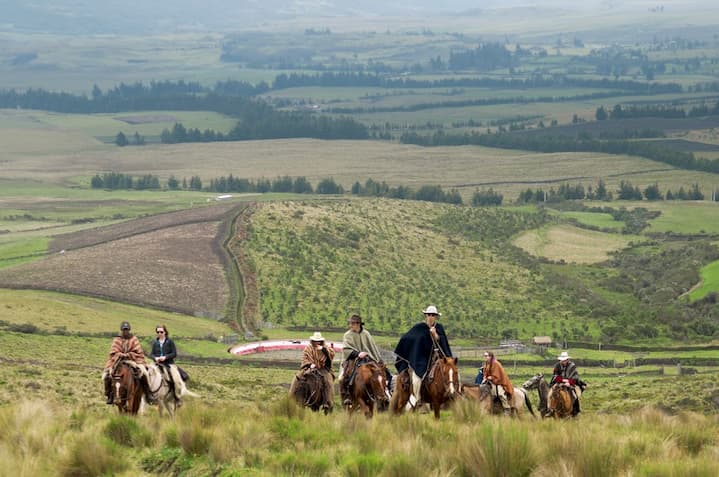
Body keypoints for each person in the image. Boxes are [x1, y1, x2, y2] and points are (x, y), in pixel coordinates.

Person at [393, 305, 452, 410]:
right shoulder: (419, 328)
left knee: (451, 373)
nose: (431, 317)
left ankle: (453, 394)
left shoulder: (439, 328)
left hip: (437, 357)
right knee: (416, 379)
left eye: (433, 315)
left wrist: (436, 335)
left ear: (436, 317)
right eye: (429, 315)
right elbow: (407, 338)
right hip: (421, 358)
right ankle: (418, 399)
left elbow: (443, 343)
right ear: (426, 315)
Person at [338, 314, 387, 407]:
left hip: (368, 357)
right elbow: (346, 349)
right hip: (353, 358)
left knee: (381, 372)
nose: (351, 325)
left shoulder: (366, 334)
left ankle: (384, 393)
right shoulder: (347, 335)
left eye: (353, 323)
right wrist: (358, 354)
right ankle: (347, 395)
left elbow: (372, 347)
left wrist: (377, 358)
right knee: (343, 377)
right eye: (350, 323)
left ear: (358, 324)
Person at [102, 321, 153, 405]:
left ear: (129, 330)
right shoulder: (117, 339)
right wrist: (120, 355)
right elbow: (113, 352)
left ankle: (148, 393)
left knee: (144, 372)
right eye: (124, 329)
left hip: (132, 360)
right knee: (106, 375)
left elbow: (138, 352)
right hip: (119, 361)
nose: (125, 331)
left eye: (127, 329)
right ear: (121, 330)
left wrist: (128, 355)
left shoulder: (134, 339)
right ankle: (109, 395)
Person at [290, 332, 336, 408]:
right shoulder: (308, 348)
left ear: (321, 341)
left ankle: (328, 401)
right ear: (312, 341)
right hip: (309, 367)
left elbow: (330, 357)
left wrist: (323, 350)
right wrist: (310, 364)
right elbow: (305, 359)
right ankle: (292, 397)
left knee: (327, 381)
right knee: (298, 377)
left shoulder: (326, 348)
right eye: (315, 341)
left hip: (323, 368)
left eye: (318, 341)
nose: (317, 342)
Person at [150, 324, 186, 406]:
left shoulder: (170, 342)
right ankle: (150, 396)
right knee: (148, 375)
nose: (159, 333)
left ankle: (177, 398)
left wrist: (165, 357)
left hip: (168, 364)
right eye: (158, 332)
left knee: (175, 379)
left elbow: (174, 353)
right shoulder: (155, 343)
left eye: (161, 332)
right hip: (157, 364)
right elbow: (151, 354)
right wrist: (155, 358)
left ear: (165, 332)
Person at [481, 351, 514, 415]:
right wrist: (485, 377)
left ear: (490, 356)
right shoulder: (486, 363)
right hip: (489, 381)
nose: (485, 357)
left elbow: (497, 376)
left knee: (500, 394)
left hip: (498, 382)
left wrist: (491, 377)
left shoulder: (495, 363)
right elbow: (485, 372)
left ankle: (507, 408)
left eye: (486, 356)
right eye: (484, 356)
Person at [551, 351, 583, 415]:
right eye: (562, 360)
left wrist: (569, 382)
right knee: (551, 393)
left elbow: (575, 377)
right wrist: (563, 380)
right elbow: (555, 376)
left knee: (575, 395)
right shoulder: (557, 366)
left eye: (565, 360)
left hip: (570, 383)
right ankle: (550, 409)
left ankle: (575, 410)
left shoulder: (572, 366)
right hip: (559, 383)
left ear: (568, 360)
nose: (563, 361)